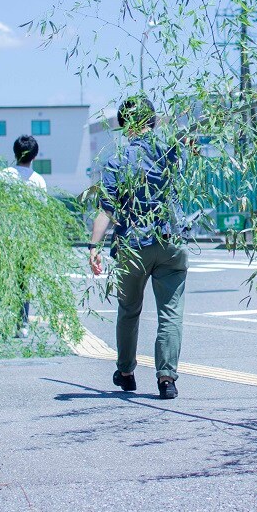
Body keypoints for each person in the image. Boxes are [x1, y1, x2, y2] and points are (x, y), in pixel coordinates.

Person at [88, 96, 188, 400]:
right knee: (170, 314)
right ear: (152, 121)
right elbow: (184, 149)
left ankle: (127, 372)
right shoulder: (168, 152)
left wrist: (94, 247)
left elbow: (106, 210)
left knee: (129, 310)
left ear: (122, 126)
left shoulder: (117, 161)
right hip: (169, 241)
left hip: (132, 246)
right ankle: (166, 378)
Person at [0, 135, 48, 338]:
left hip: (4, 238)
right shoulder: (38, 181)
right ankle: (22, 323)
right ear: (35, 155)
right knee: (23, 281)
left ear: (15, 153)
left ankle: (6, 320)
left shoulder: (2, 176)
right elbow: (42, 213)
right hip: (27, 239)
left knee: (3, 279)